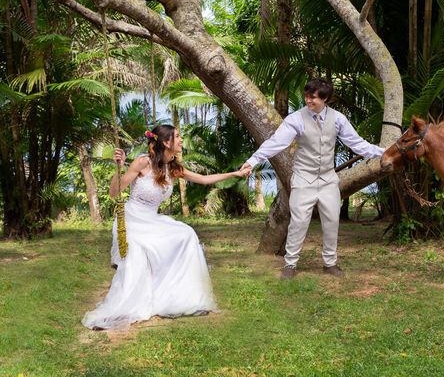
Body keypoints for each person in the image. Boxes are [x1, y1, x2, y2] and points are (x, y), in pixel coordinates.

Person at [82, 124, 250, 330]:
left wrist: (235, 173)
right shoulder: (143, 162)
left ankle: (177, 296)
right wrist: (120, 166)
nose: (180, 140)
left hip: (152, 219)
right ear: (166, 142)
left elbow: (204, 179)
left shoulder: (173, 167)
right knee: (138, 255)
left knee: (186, 234)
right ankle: (123, 307)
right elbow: (114, 194)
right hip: (133, 219)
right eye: (177, 137)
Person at [241, 78, 385, 279]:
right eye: (307, 96)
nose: (308, 100)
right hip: (303, 178)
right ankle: (290, 264)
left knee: (332, 221)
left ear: (325, 99)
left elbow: (357, 143)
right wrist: (252, 161)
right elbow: (276, 143)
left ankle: (330, 264)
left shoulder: (338, 119)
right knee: (299, 222)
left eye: (313, 97)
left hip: (328, 180)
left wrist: (382, 153)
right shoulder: (296, 119)